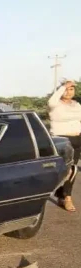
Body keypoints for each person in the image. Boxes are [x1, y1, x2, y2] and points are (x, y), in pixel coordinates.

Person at [49, 80, 81, 212]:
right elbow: (52, 100)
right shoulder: (55, 104)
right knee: (63, 170)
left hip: (77, 139)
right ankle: (57, 192)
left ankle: (66, 196)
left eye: (71, 89)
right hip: (61, 140)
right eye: (66, 89)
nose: (69, 92)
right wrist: (63, 86)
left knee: (73, 170)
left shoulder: (77, 104)